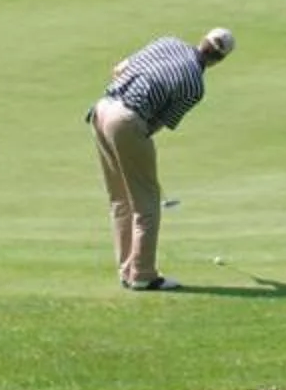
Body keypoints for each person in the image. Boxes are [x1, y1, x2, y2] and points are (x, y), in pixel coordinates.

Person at [87, 27, 233, 291]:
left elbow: (121, 68)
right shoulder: (194, 86)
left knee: (120, 196)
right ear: (219, 61)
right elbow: (157, 123)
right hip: (126, 120)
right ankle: (143, 274)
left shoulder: (169, 41)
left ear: (202, 39)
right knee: (147, 202)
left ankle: (127, 270)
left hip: (101, 110)